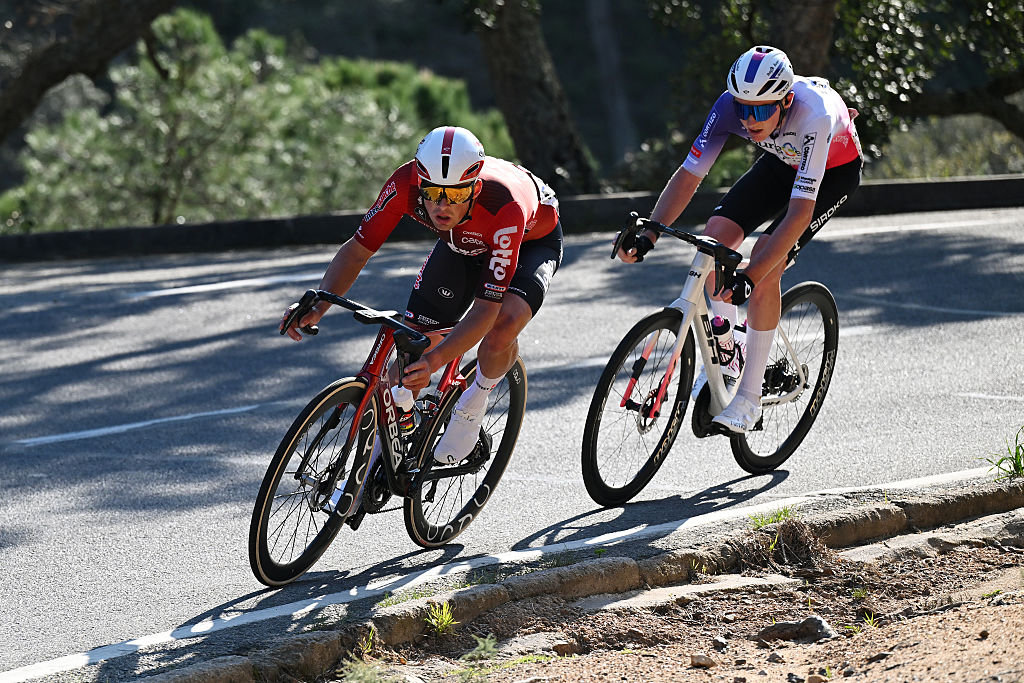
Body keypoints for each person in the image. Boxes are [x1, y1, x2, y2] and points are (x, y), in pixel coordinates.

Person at [617, 45, 863, 434]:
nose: (749, 119)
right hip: (782, 162)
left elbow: (799, 213)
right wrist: (650, 231)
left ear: (785, 100)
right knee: (713, 240)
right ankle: (729, 353)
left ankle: (748, 400)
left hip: (832, 174)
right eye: (743, 107)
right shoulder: (732, 107)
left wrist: (752, 275)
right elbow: (689, 175)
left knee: (766, 262)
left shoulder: (812, 114)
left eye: (761, 110)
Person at [281, 125, 562, 463]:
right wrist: (320, 303)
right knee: (406, 361)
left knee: (503, 326)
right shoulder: (404, 184)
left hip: (529, 242)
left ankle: (473, 404)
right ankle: (369, 473)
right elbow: (358, 249)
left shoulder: (505, 206)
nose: (442, 206)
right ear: (420, 181)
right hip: (462, 244)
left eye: (456, 195)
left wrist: (435, 360)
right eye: (432, 193)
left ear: (474, 186)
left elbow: (486, 309)